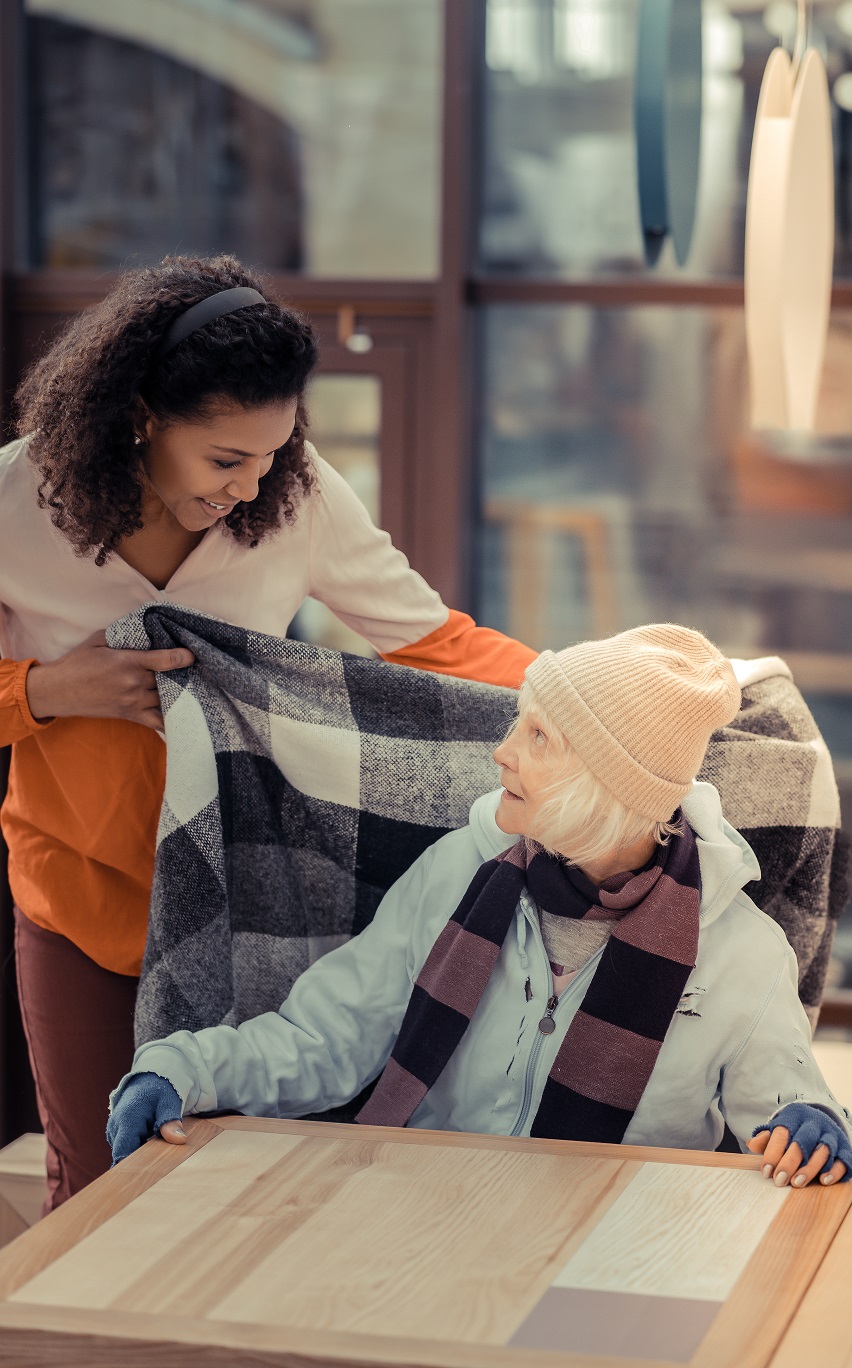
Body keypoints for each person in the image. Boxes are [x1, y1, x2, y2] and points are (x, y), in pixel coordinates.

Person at [0, 254, 536, 1210]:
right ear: (139, 418)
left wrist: (590, 692)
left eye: (273, 453)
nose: (253, 486)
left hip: (246, 899)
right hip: (78, 892)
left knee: (224, 1188)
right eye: (224, 460)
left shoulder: (298, 494)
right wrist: (47, 689)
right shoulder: (13, 503)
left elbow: (436, 644)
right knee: (93, 1189)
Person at [109, 626, 852, 1189]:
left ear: (614, 786)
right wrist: (182, 1069)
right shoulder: (453, 876)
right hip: (426, 1226)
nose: (502, 752)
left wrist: (815, 1131)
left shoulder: (741, 952)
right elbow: (326, 1041)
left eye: (539, 736)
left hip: (620, 1263)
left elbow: (795, 1111)